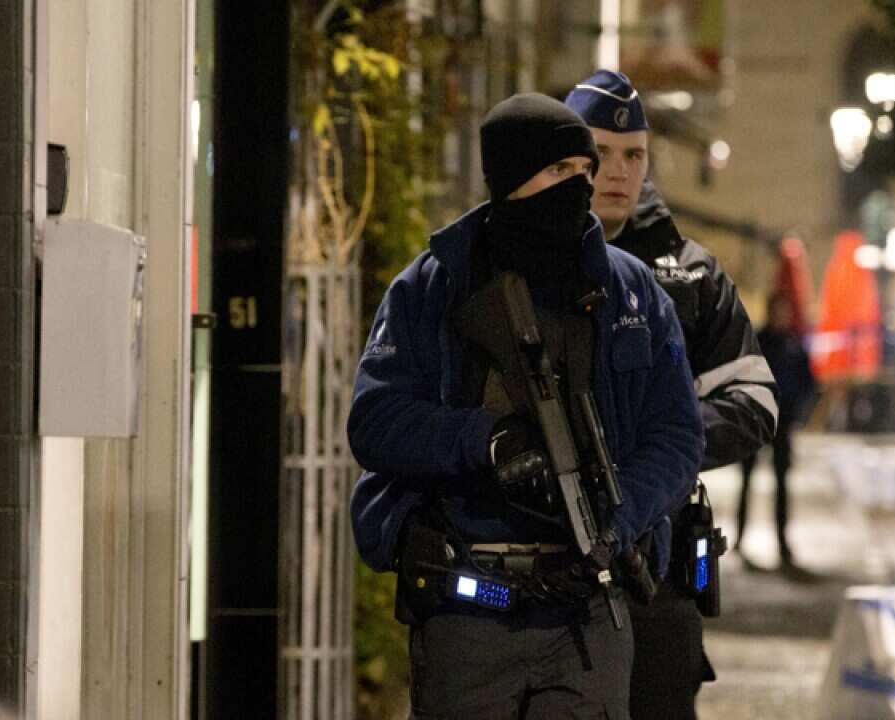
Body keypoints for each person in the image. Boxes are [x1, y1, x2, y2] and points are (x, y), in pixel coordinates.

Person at [347, 92, 704, 719]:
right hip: (471, 606)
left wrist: (618, 514)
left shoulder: (631, 291)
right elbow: (376, 422)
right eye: (559, 171)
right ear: (512, 179)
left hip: (590, 609)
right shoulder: (434, 285)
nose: (580, 185)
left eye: (584, 171)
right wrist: (485, 440)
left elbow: (676, 437)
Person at [564, 70, 779, 720]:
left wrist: (658, 444)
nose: (618, 171)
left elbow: (756, 402)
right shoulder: (525, 263)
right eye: (600, 153)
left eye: (634, 155)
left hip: (657, 570)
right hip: (548, 568)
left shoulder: (689, 273)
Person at [737, 291, 817, 570]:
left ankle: (782, 542)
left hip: (782, 422)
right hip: (756, 420)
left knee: (781, 484)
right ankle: (739, 538)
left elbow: (808, 381)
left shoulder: (793, 343)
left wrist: (798, 411)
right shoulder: (758, 341)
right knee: (747, 481)